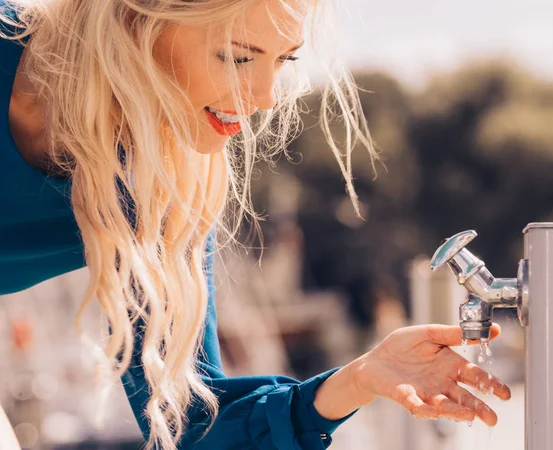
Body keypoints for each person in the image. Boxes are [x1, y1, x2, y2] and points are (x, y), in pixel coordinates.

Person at [0, 0, 512, 449]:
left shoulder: (161, 194)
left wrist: (358, 379)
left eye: (284, 60)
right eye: (238, 56)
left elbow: (192, 426)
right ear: (138, 21)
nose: (266, 95)